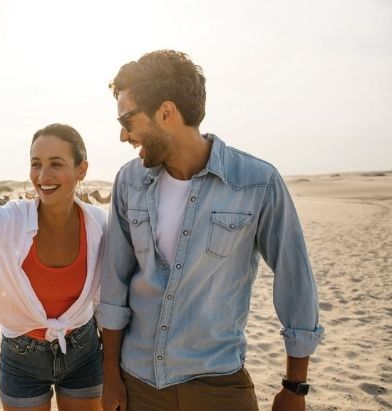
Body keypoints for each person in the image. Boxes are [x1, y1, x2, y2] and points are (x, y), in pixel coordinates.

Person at [96, 50, 324, 411]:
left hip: (219, 386)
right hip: (137, 383)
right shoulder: (129, 181)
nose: (124, 134)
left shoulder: (256, 182)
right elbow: (114, 284)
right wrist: (110, 377)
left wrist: (295, 386)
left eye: (128, 119)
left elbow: (295, 279)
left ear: (166, 113)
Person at [0, 124, 107, 411]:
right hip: (22, 356)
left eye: (56, 164)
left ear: (81, 170)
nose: (42, 176)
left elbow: (109, 297)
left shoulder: (98, 224)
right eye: (35, 164)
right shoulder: (6, 222)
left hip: (83, 350)